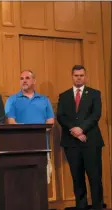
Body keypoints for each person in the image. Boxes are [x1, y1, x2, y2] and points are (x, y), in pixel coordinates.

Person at [57, 65, 104, 210]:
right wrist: (74, 130)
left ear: (86, 77)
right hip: (71, 142)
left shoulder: (95, 94)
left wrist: (81, 129)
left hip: (91, 141)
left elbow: (96, 115)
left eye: (81, 75)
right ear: (72, 76)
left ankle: (97, 206)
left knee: (95, 177)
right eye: (76, 75)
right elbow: (61, 116)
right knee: (77, 178)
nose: (79, 78)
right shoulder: (64, 96)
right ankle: (81, 206)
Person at [5, 70, 54, 183]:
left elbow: (50, 122)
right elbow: (11, 122)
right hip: (20, 147)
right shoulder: (12, 100)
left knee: (41, 181)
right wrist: (31, 133)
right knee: (22, 181)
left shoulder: (44, 99)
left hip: (41, 146)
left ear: (34, 81)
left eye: (27, 78)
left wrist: (35, 134)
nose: (24, 81)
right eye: (21, 78)